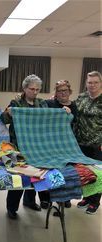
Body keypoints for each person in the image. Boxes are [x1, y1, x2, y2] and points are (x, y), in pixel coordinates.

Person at [0, 74, 48, 219]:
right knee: (18, 176)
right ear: (25, 88)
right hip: (19, 146)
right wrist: (7, 112)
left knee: (34, 175)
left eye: (37, 89)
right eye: (32, 89)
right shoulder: (16, 102)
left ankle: (29, 201)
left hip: (36, 146)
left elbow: (48, 118)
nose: (34, 92)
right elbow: (4, 119)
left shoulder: (42, 103)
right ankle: (12, 208)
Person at [42, 79, 78, 209]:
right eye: (59, 91)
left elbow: (75, 123)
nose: (63, 93)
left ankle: (64, 199)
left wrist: (69, 114)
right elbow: (38, 108)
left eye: (65, 90)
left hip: (66, 145)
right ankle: (46, 199)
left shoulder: (74, 106)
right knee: (49, 171)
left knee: (65, 171)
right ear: (55, 93)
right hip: (49, 144)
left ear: (70, 92)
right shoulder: (50, 103)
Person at [74, 71, 102, 215]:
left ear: (100, 83)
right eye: (90, 82)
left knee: (97, 173)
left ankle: (95, 201)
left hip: (98, 145)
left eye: (96, 82)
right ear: (86, 83)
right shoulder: (82, 97)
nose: (92, 85)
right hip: (81, 144)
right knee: (84, 172)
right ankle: (86, 197)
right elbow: (74, 110)